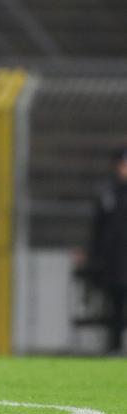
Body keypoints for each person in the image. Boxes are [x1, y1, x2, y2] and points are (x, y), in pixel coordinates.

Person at [82, 147, 127, 354]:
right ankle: (114, 346)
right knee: (114, 304)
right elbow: (97, 229)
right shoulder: (108, 194)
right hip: (114, 261)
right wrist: (93, 256)